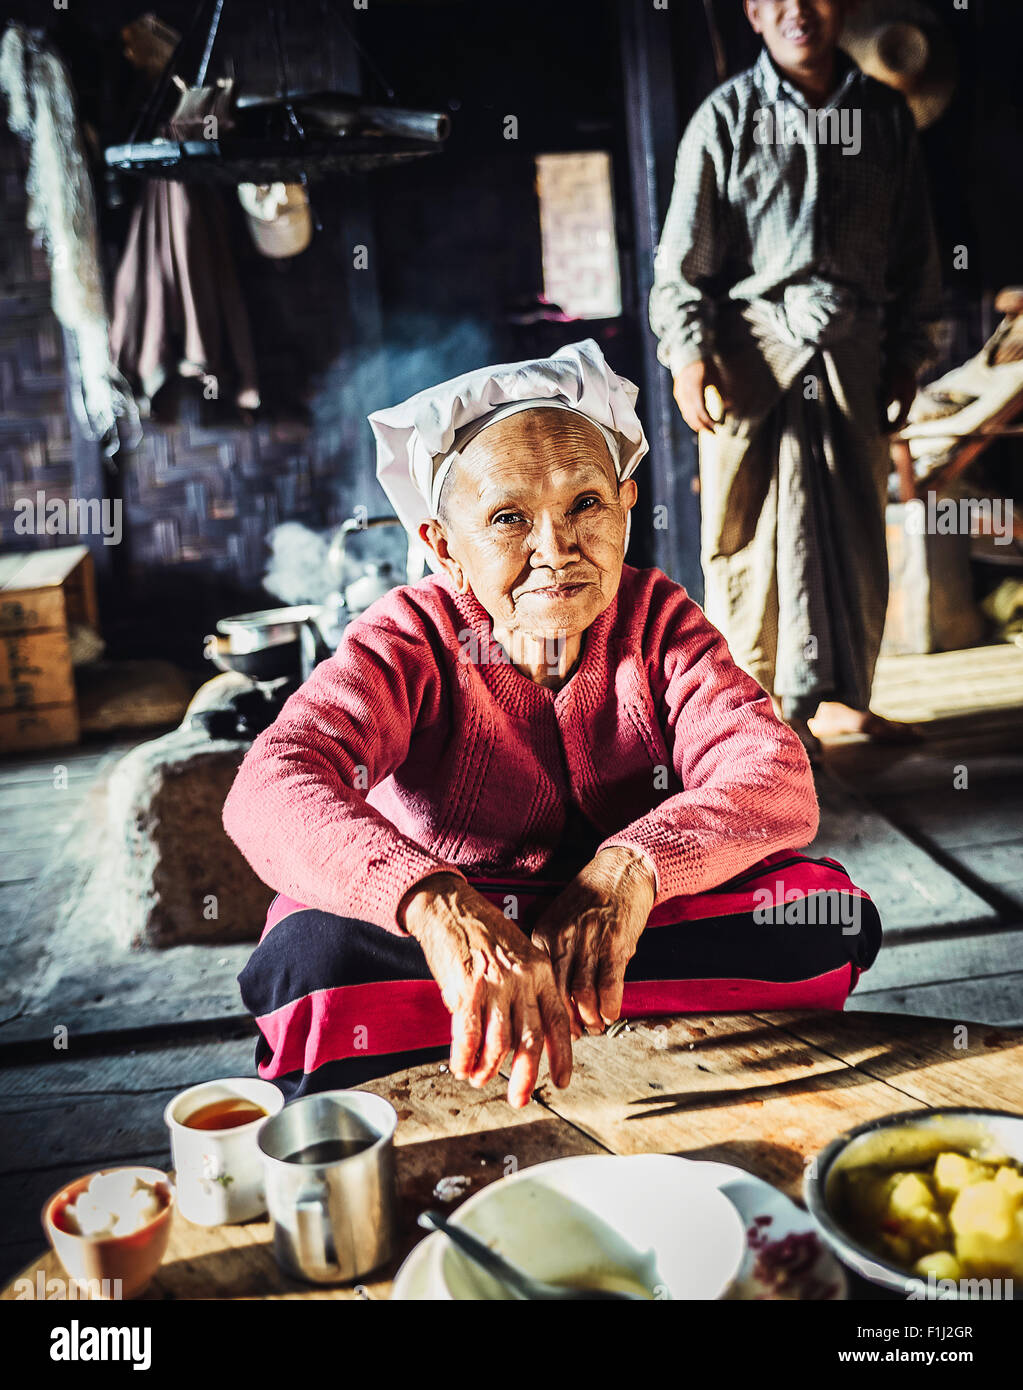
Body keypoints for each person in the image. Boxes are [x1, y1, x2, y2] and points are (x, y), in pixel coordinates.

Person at [222, 339, 881, 1108]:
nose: (557, 550)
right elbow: (271, 783)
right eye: (507, 517)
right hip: (459, 932)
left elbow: (771, 775)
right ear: (442, 546)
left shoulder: (658, 618)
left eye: (585, 504)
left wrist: (630, 869)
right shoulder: (410, 635)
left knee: (817, 915)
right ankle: (535, 1013)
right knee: (312, 958)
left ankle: (544, 1025)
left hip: (629, 921)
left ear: (625, 505)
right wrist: (437, 908)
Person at [649, 0, 941, 756]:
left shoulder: (884, 117)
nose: (795, 11)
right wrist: (687, 357)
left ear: (841, 7)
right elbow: (682, 262)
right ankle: (755, 716)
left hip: (855, 353)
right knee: (746, 534)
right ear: (751, 13)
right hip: (751, 357)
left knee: (848, 532)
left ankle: (841, 698)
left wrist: (908, 354)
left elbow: (916, 252)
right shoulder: (725, 116)